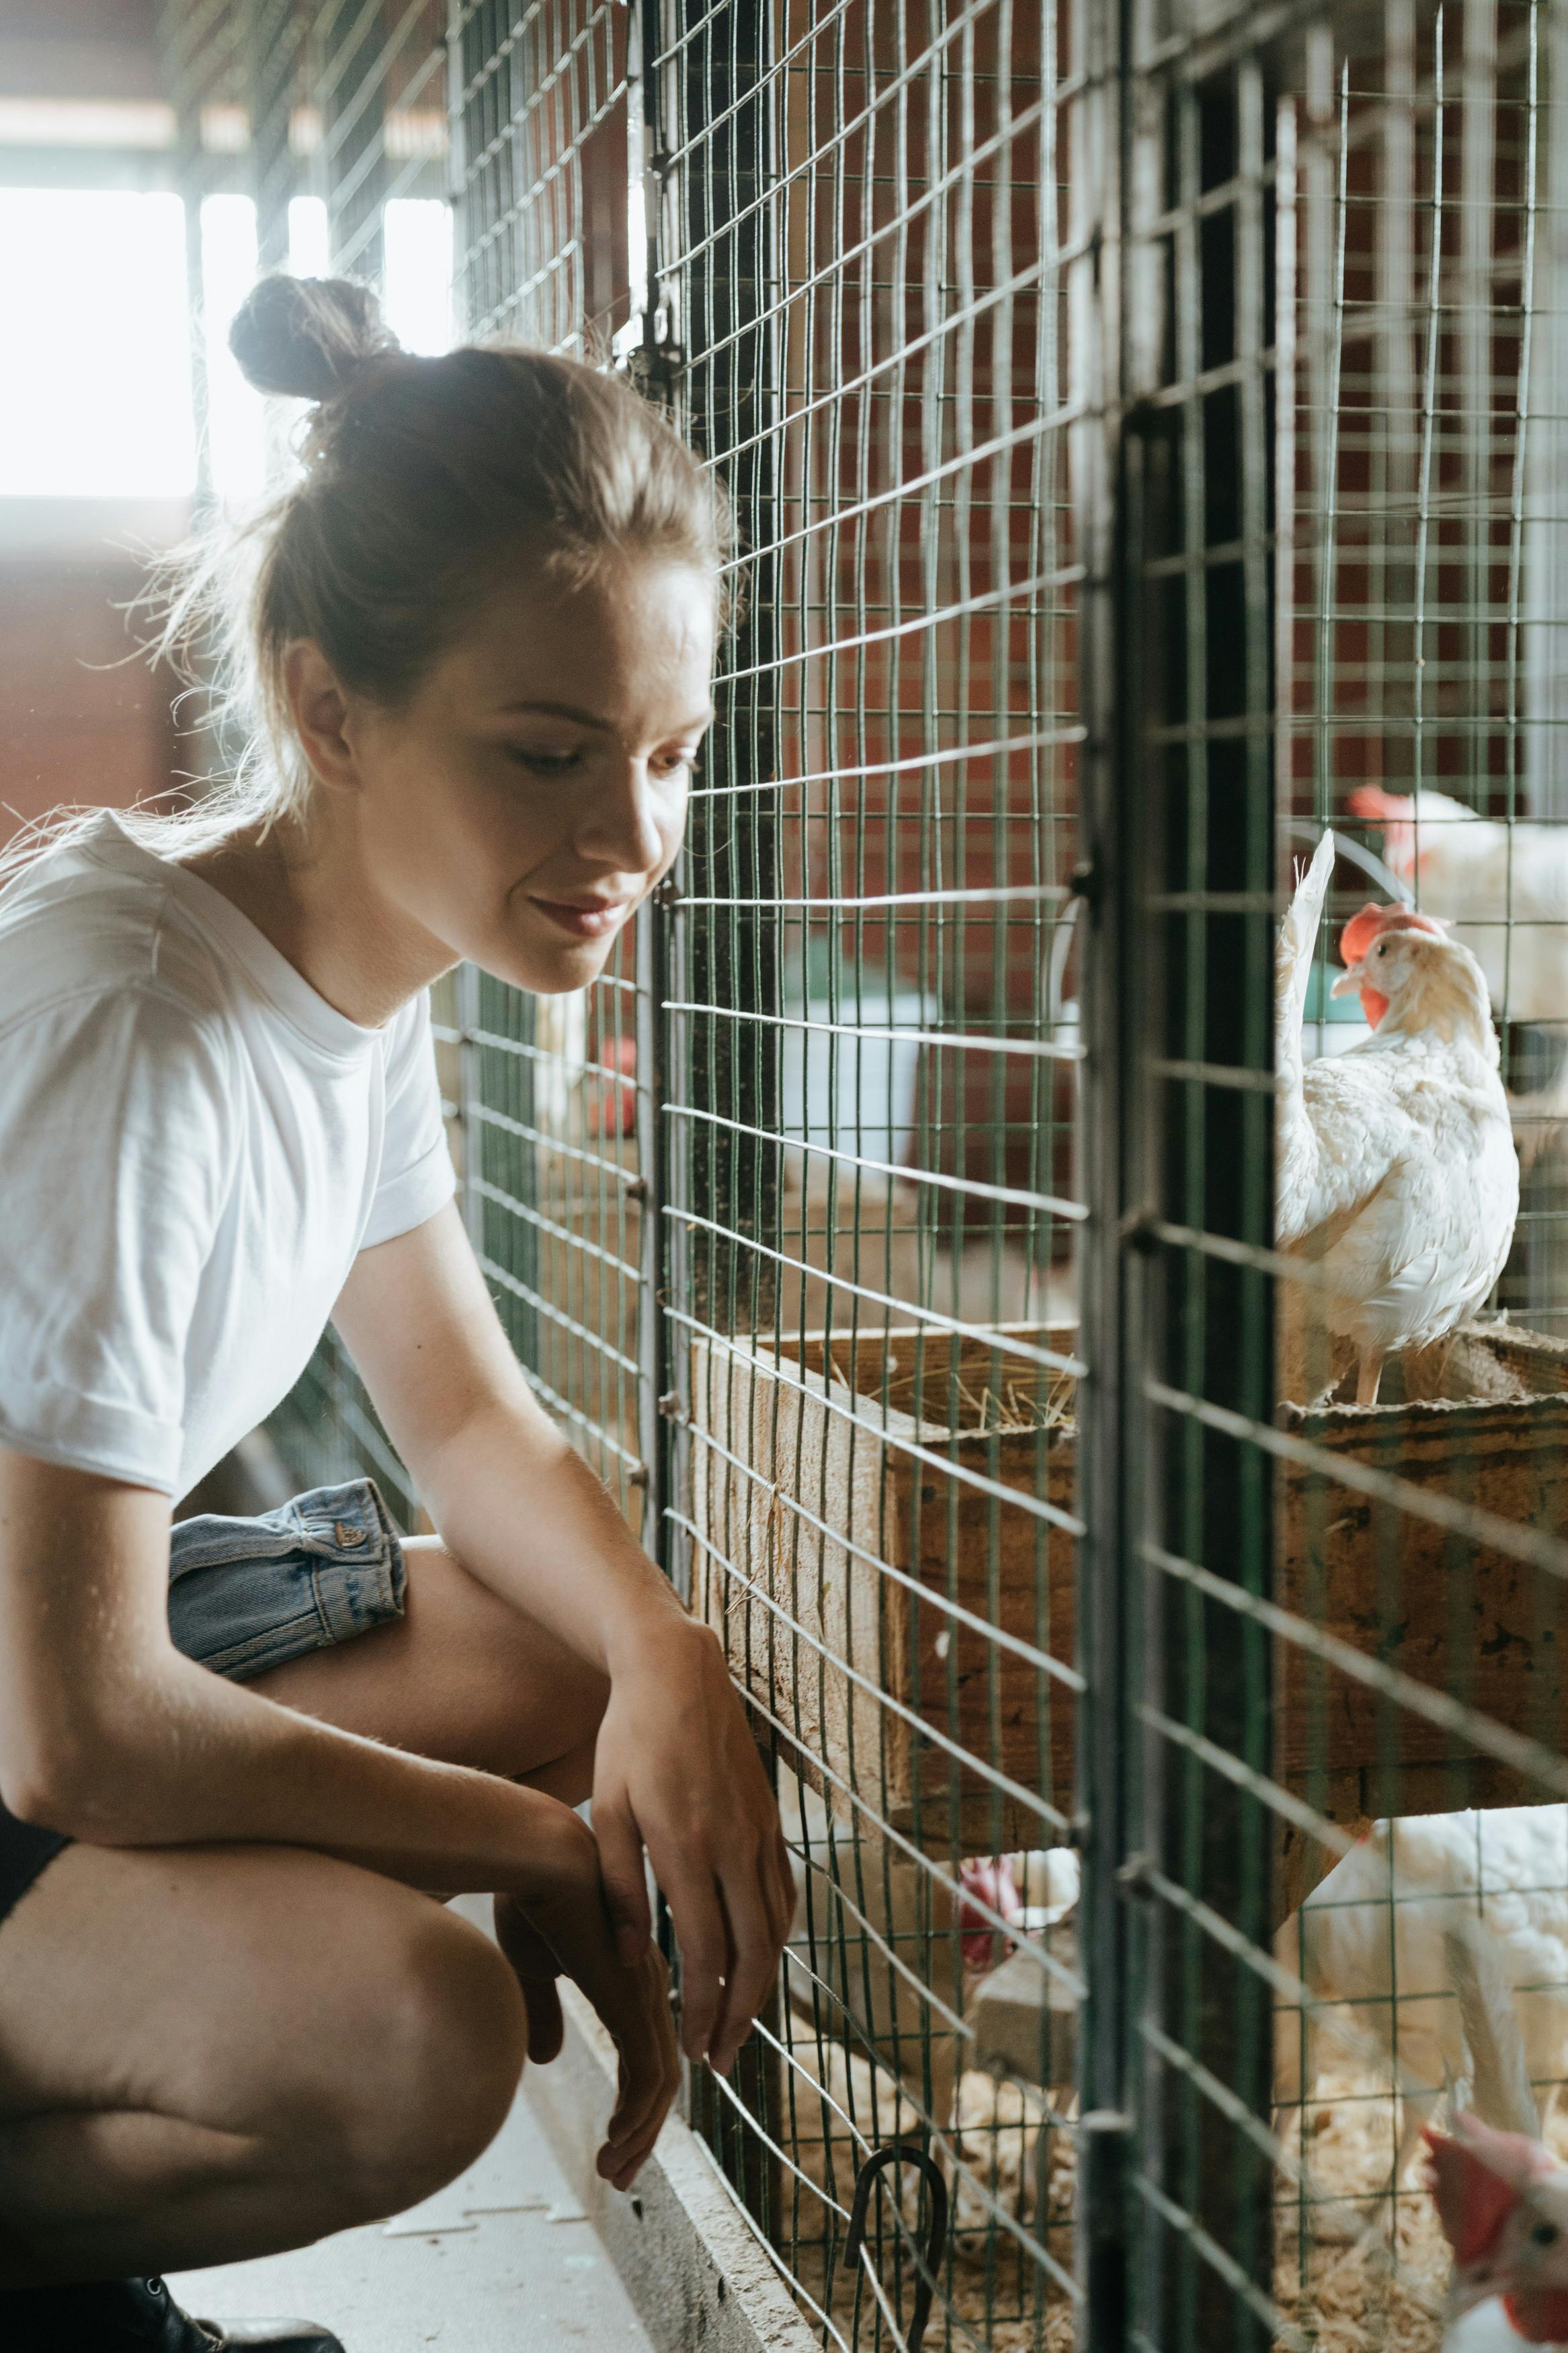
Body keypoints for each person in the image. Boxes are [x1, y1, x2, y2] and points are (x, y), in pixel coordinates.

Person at [0, 275, 792, 2353]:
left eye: (668, 755)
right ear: (331, 709)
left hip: (60, 1651)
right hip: (24, 1700)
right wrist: (557, 1844)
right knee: (417, 2036)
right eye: (549, 752)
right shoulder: (135, 1030)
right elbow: (73, 1727)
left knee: (562, 1638)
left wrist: (659, 1657)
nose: (633, 839)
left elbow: (465, 1420)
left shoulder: (355, 972)